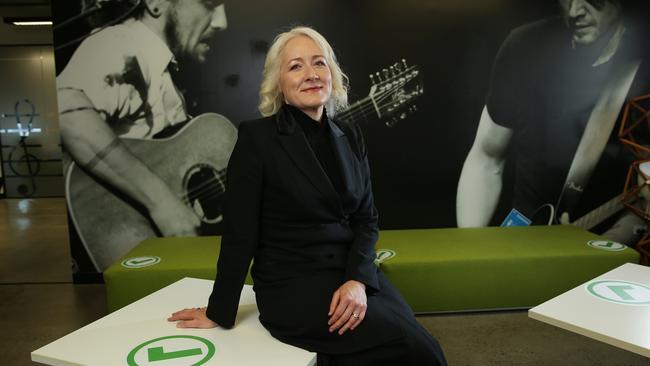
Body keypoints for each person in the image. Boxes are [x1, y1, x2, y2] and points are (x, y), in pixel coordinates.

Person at [168, 26, 447, 365]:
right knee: (417, 349)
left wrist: (357, 280)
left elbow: (366, 218)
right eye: (296, 66)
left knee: (412, 337)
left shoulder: (349, 134)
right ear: (279, 84)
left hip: (349, 272)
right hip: (293, 286)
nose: (311, 74)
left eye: (319, 63)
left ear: (332, 74)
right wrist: (219, 309)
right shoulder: (257, 140)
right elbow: (240, 235)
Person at [56, 0, 229, 270]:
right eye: (209, 3)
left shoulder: (159, 66)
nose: (222, 22)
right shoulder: (120, 45)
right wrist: (162, 203)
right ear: (156, 3)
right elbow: (66, 114)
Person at [456, 0, 647, 243]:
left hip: (605, 249)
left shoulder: (643, 66)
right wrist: (470, 247)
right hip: (521, 240)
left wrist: (602, 251)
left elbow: (643, 200)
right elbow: (486, 158)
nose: (575, 11)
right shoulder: (525, 46)